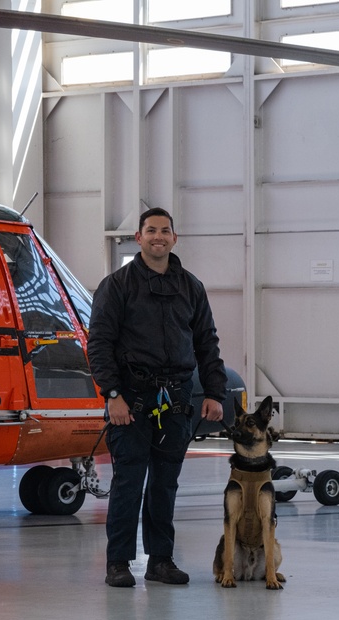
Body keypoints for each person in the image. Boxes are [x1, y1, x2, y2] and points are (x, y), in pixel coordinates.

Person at [87, 207, 226, 588]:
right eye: (151, 231)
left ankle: (160, 560)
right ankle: (118, 562)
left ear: (175, 238)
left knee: (165, 483)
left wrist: (215, 392)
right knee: (129, 482)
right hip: (130, 399)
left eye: (165, 231)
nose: (158, 237)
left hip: (177, 398)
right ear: (139, 237)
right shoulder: (117, 285)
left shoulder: (191, 287)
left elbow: (206, 343)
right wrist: (112, 394)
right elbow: (98, 343)